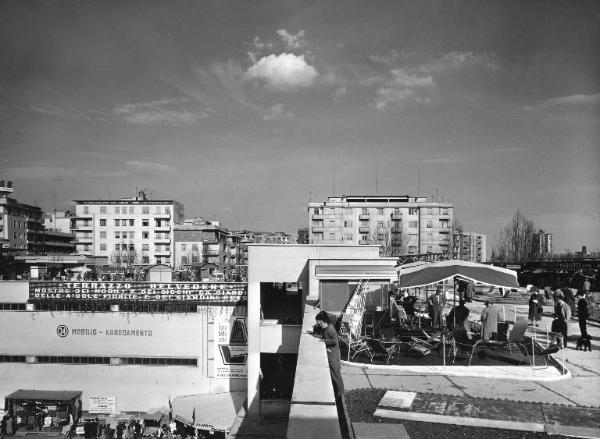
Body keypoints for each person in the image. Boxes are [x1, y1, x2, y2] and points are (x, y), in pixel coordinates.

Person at [315, 310, 344, 397]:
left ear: (322, 320)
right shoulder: (325, 328)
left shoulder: (330, 329)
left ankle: (340, 393)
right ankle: (336, 392)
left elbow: (335, 341)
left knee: (336, 375)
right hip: (330, 354)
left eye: (318, 321)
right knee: (332, 375)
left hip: (333, 356)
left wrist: (324, 341)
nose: (317, 323)